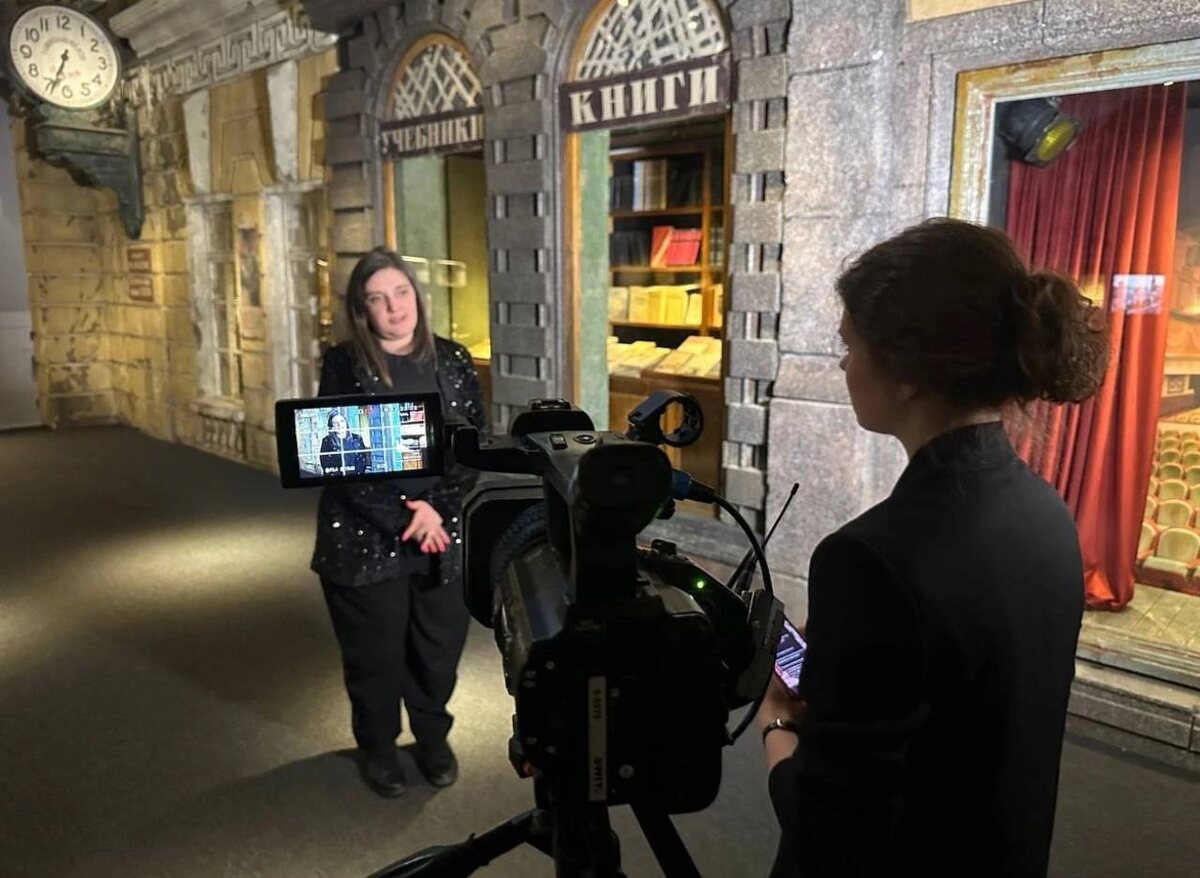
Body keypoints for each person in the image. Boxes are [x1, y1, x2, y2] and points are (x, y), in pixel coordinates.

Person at [757, 219, 1109, 876]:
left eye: (850, 344)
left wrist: (776, 723)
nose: (843, 365)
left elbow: (828, 826)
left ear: (907, 373)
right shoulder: (1047, 511)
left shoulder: (869, 559)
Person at [311, 247, 485, 798]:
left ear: (417, 296)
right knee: (375, 657)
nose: (394, 307)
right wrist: (406, 515)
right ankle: (379, 747)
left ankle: (432, 737)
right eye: (378, 298)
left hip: (441, 533)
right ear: (362, 310)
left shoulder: (453, 359)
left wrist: (437, 510)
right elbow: (337, 456)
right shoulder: (343, 364)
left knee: (437, 651)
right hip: (365, 538)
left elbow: (472, 446)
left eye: (402, 292)